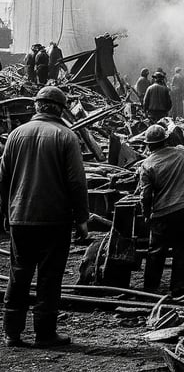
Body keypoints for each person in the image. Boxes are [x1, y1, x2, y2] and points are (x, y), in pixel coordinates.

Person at [0, 85, 89, 348]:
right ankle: (44, 334)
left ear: (36, 106)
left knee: (18, 274)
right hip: (54, 220)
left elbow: (3, 178)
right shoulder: (66, 136)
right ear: (60, 110)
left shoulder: (16, 135)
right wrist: (82, 218)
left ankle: (12, 333)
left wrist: (6, 212)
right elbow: (77, 182)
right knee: (49, 277)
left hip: (20, 217)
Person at [139, 124, 184, 298]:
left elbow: (145, 195)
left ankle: (151, 288)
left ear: (149, 145)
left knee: (156, 251)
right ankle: (178, 288)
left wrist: (146, 214)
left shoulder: (147, 165)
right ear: (165, 140)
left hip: (162, 212)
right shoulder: (182, 152)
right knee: (182, 250)